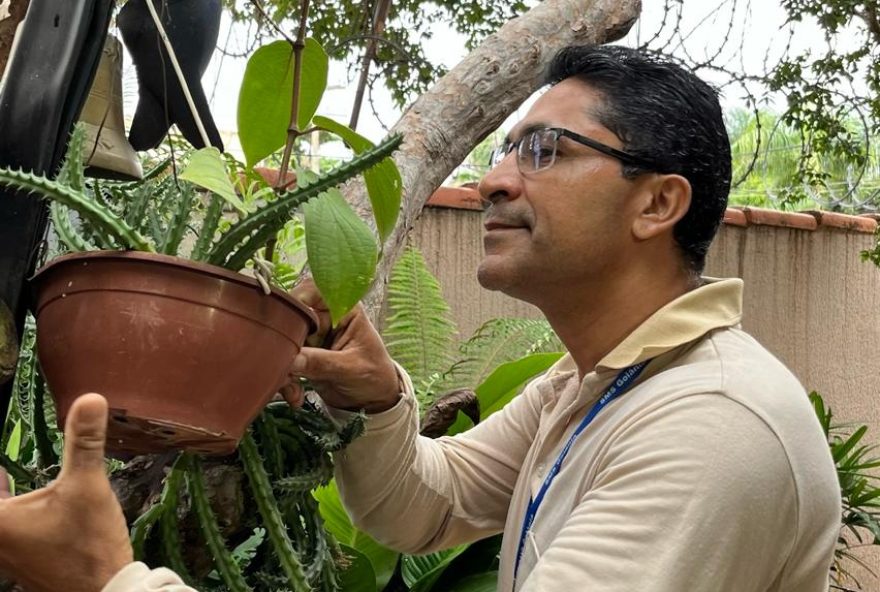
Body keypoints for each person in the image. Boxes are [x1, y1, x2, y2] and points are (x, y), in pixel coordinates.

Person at [0, 45, 840, 591]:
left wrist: (108, 578)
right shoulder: (597, 383)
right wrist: (373, 399)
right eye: (504, 149)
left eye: (545, 151)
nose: (495, 180)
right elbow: (424, 508)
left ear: (658, 203)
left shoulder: (708, 423)